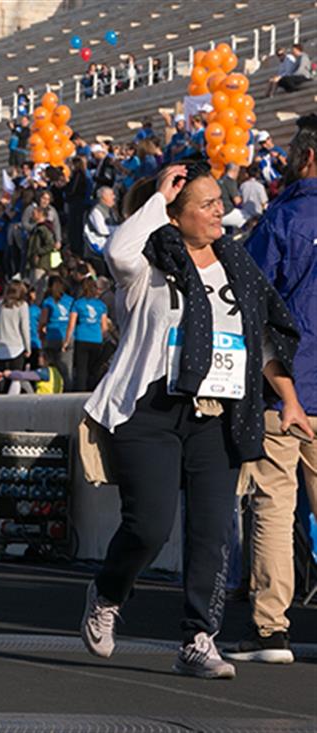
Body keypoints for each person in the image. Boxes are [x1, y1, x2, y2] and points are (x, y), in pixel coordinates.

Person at [79, 163, 301, 680]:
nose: (219, 210)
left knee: (212, 533)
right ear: (175, 217)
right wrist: (159, 198)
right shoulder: (146, 268)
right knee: (149, 526)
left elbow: (261, 342)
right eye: (205, 204)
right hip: (150, 412)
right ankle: (108, 592)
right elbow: (115, 251)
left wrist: (287, 399)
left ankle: (199, 638)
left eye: (219, 201)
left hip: (218, 414)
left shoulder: (238, 268)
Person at [226, 114, 317, 664]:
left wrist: (285, 394)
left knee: (274, 506)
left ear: (306, 157)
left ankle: (271, 628)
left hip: (287, 388)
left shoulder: (280, 221)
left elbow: (252, 311)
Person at [63, 277, 110, 392]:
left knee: (81, 370)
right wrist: (104, 339)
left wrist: (67, 341)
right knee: (93, 369)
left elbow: (71, 324)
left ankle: (80, 393)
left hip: (81, 337)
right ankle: (93, 391)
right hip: (96, 339)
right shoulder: (101, 305)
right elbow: (104, 327)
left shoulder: (78, 303)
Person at [38, 275, 74, 386]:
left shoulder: (48, 302)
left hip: (52, 336)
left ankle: (53, 386)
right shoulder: (71, 300)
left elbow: (43, 321)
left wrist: (41, 334)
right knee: (66, 367)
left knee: (52, 365)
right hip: (68, 335)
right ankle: (68, 389)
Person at [0, 281, 32, 375]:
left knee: (0, 381)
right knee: (15, 382)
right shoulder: (22, 305)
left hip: (0, 348)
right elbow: (24, 329)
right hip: (17, 348)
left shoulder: (1, 304)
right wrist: (28, 348)